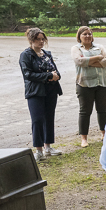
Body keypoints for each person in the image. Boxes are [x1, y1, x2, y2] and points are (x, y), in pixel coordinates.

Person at [20, 28, 63, 161]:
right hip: (35, 92)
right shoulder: (26, 55)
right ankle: (38, 150)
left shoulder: (47, 54)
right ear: (31, 40)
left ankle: (48, 147)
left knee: (49, 118)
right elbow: (28, 74)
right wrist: (49, 75)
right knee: (37, 119)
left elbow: (56, 72)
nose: (41, 41)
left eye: (43, 38)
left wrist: (55, 76)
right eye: (38, 39)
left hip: (51, 91)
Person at [71, 27, 106, 147]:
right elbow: (79, 62)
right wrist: (98, 58)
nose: (88, 36)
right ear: (79, 36)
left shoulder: (100, 47)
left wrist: (88, 61)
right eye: (85, 34)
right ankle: (84, 139)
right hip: (84, 84)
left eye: (89, 34)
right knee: (85, 111)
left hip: (102, 83)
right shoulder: (76, 48)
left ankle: (105, 134)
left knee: (103, 110)